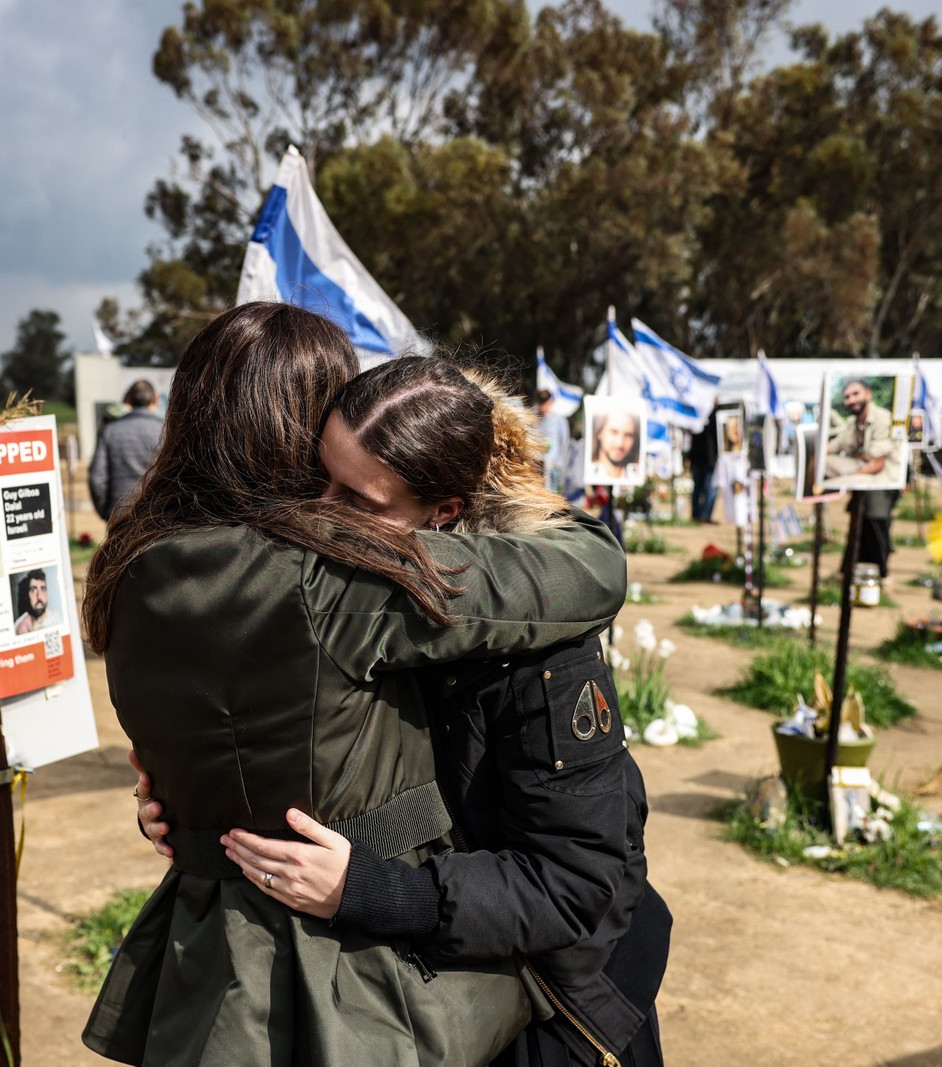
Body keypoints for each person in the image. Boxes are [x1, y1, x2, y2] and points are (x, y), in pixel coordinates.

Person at [80, 303, 628, 1067]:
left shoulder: (130, 568)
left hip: (206, 979)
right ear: (301, 432)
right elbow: (591, 571)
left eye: (358, 495)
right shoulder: (330, 575)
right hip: (365, 993)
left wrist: (181, 805)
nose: (330, 509)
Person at [88, 378, 163, 520]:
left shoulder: (110, 430)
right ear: (155, 399)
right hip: (157, 514)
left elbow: (97, 478)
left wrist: (106, 511)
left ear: (128, 400)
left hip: (119, 513)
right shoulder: (166, 431)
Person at [823, 378, 896, 482]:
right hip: (860, 465)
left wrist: (847, 475)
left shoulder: (882, 419)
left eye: (856, 394)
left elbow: (877, 465)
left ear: (868, 394)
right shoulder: (852, 421)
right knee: (822, 461)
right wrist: (817, 450)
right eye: (847, 397)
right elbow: (835, 445)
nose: (851, 400)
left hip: (880, 473)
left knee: (833, 483)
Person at [535, 389, 572, 495]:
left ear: (551, 402)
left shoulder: (559, 420)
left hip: (553, 466)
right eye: (541, 402)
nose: (543, 405)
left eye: (545, 402)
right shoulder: (533, 418)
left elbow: (564, 442)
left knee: (552, 496)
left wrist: (562, 465)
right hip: (537, 465)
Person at [588, 408, 640, 481]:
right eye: (614, 432)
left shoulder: (636, 477)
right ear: (600, 432)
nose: (620, 443)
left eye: (628, 435)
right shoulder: (584, 472)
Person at [687, 408, 719, 521]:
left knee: (701, 488)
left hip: (700, 458)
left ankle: (698, 514)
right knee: (709, 489)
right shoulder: (715, 415)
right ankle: (703, 515)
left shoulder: (696, 412)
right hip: (708, 459)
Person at [12, 569, 50, 633]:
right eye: (33, 590)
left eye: (43, 589)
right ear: (27, 596)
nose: (39, 596)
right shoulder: (22, 628)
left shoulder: (57, 618)